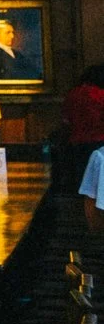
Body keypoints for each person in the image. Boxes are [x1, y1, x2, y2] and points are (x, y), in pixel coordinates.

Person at [63, 63, 104, 224]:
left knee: (82, 183)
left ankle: (79, 219)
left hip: (77, 143)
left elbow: (66, 119)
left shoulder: (73, 94)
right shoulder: (100, 94)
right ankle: (95, 220)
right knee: (97, 185)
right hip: (99, 142)